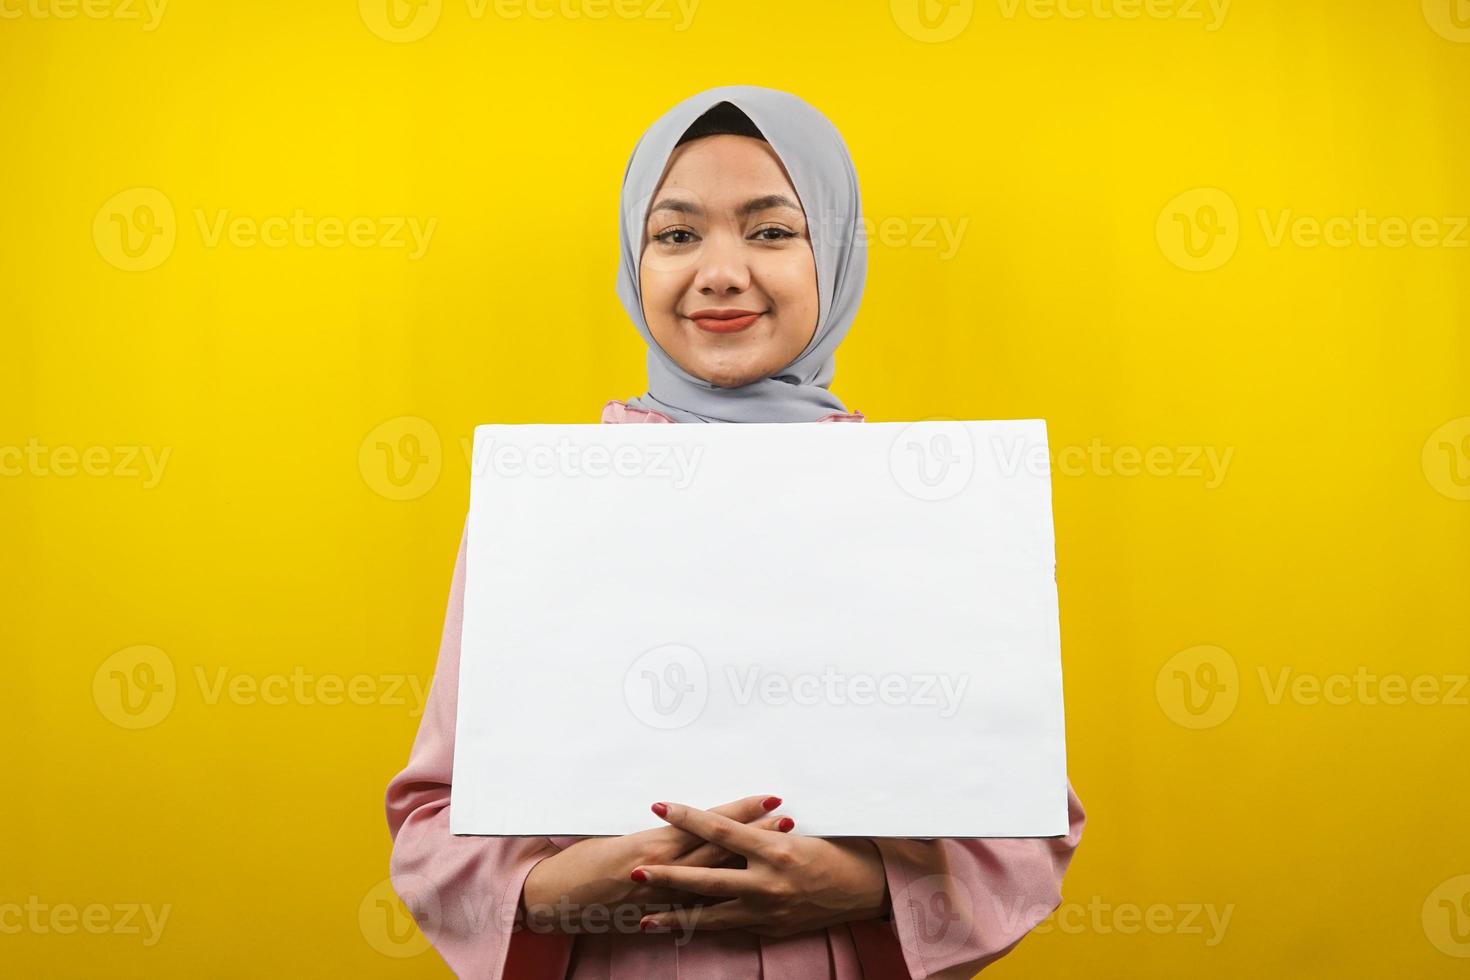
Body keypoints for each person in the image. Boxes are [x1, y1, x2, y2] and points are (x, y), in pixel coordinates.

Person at [384, 83, 1086, 979]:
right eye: (676, 234)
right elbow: (431, 820)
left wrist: (871, 888)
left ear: (833, 253)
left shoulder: (930, 505)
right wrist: (552, 893)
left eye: (771, 230)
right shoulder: (547, 504)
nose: (720, 271)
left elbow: (1028, 820)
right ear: (634, 260)